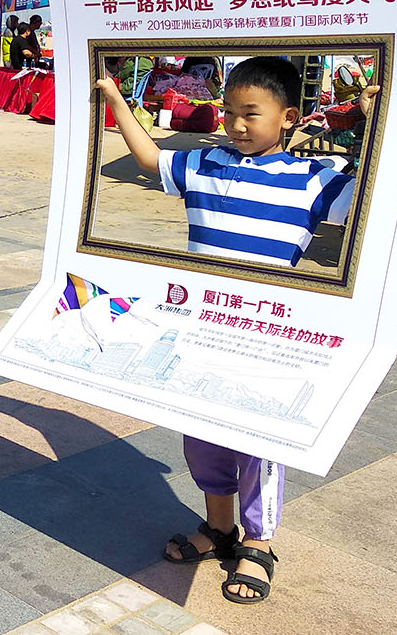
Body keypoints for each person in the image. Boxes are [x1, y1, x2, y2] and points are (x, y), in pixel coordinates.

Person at [96, 56, 379, 605]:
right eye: (229, 112)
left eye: (251, 113)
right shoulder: (203, 163)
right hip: (200, 328)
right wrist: (115, 99)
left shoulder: (316, 179)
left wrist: (375, 122)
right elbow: (151, 159)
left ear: (289, 117)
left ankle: (259, 542)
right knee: (201, 435)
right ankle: (220, 526)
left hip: (265, 336)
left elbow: (382, 198)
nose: (236, 124)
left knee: (257, 443)